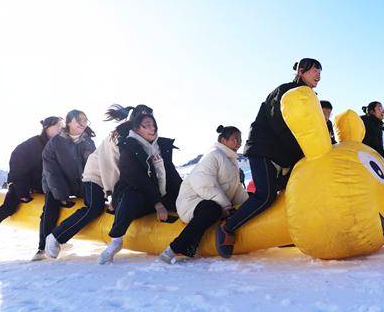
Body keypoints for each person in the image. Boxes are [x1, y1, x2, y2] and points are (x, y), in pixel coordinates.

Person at [215, 58, 321, 258]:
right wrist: (304, 150)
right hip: (264, 148)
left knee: (296, 192)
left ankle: (287, 233)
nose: (318, 75)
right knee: (266, 195)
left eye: (320, 71)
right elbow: (279, 122)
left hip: (285, 155)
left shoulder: (310, 97)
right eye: (315, 70)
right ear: (301, 71)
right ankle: (227, 227)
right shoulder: (286, 91)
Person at [44, 104, 153, 259]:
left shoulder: (140, 137)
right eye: (143, 120)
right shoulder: (120, 135)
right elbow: (112, 166)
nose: (148, 125)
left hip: (106, 174)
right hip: (95, 173)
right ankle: (55, 237)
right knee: (93, 208)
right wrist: (114, 196)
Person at [98, 113, 182, 264]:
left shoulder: (161, 146)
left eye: (153, 125)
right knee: (133, 196)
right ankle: (116, 240)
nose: (152, 128)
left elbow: (171, 173)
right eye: (147, 125)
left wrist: (186, 194)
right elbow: (138, 179)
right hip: (136, 196)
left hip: (159, 194)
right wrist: (158, 204)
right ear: (137, 129)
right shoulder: (129, 147)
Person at [0, 117, 64, 249]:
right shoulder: (32, 145)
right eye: (58, 126)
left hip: (46, 182)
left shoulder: (59, 144)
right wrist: (23, 191)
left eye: (62, 126)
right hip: (24, 182)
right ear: (47, 127)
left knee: (53, 206)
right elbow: (18, 168)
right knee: (9, 207)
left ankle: (50, 242)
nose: (61, 129)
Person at [160, 125, 248, 263]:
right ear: (223, 140)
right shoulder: (214, 155)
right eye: (234, 139)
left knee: (214, 208)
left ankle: (188, 248)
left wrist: (249, 203)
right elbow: (203, 182)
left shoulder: (232, 162)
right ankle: (173, 249)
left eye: (240, 139)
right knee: (212, 209)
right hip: (191, 201)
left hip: (211, 201)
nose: (238, 143)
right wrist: (226, 205)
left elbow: (236, 189)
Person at [36, 110, 96, 261]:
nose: (82, 124)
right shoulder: (55, 142)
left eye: (85, 120)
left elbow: (93, 166)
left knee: (94, 204)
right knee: (51, 206)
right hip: (56, 182)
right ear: (69, 122)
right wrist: (62, 195)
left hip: (79, 182)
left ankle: (60, 235)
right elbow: (51, 172)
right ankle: (43, 246)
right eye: (78, 121)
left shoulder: (87, 141)